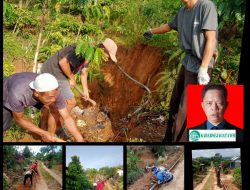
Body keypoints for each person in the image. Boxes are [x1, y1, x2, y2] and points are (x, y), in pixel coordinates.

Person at [143, 0, 218, 142]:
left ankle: (180, 142)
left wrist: (203, 69)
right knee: (175, 102)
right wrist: (151, 31)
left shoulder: (205, 6)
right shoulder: (183, 11)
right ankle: (169, 138)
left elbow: (211, 39)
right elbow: (168, 26)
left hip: (201, 65)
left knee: (186, 110)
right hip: (187, 63)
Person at [40, 38, 117, 136]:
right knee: (70, 102)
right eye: (108, 55)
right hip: (54, 71)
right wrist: (71, 78)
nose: (107, 58)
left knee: (51, 103)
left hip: (54, 71)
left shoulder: (90, 54)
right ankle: (56, 129)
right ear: (102, 48)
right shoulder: (84, 50)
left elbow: (83, 72)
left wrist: (85, 91)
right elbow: (63, 62)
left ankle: (46, 127)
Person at [3, 72, 84, 142]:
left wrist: (80, 139)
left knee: (55, 108)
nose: (53, 100)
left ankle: (49, 136)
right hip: (6, 93)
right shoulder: (18, 95)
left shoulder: (54, 92)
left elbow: (67, 118)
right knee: (5, 124)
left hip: (31, 89)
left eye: (55, 96)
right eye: (50, 97)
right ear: (37, 93)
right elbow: (19, 119)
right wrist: (42, 133)